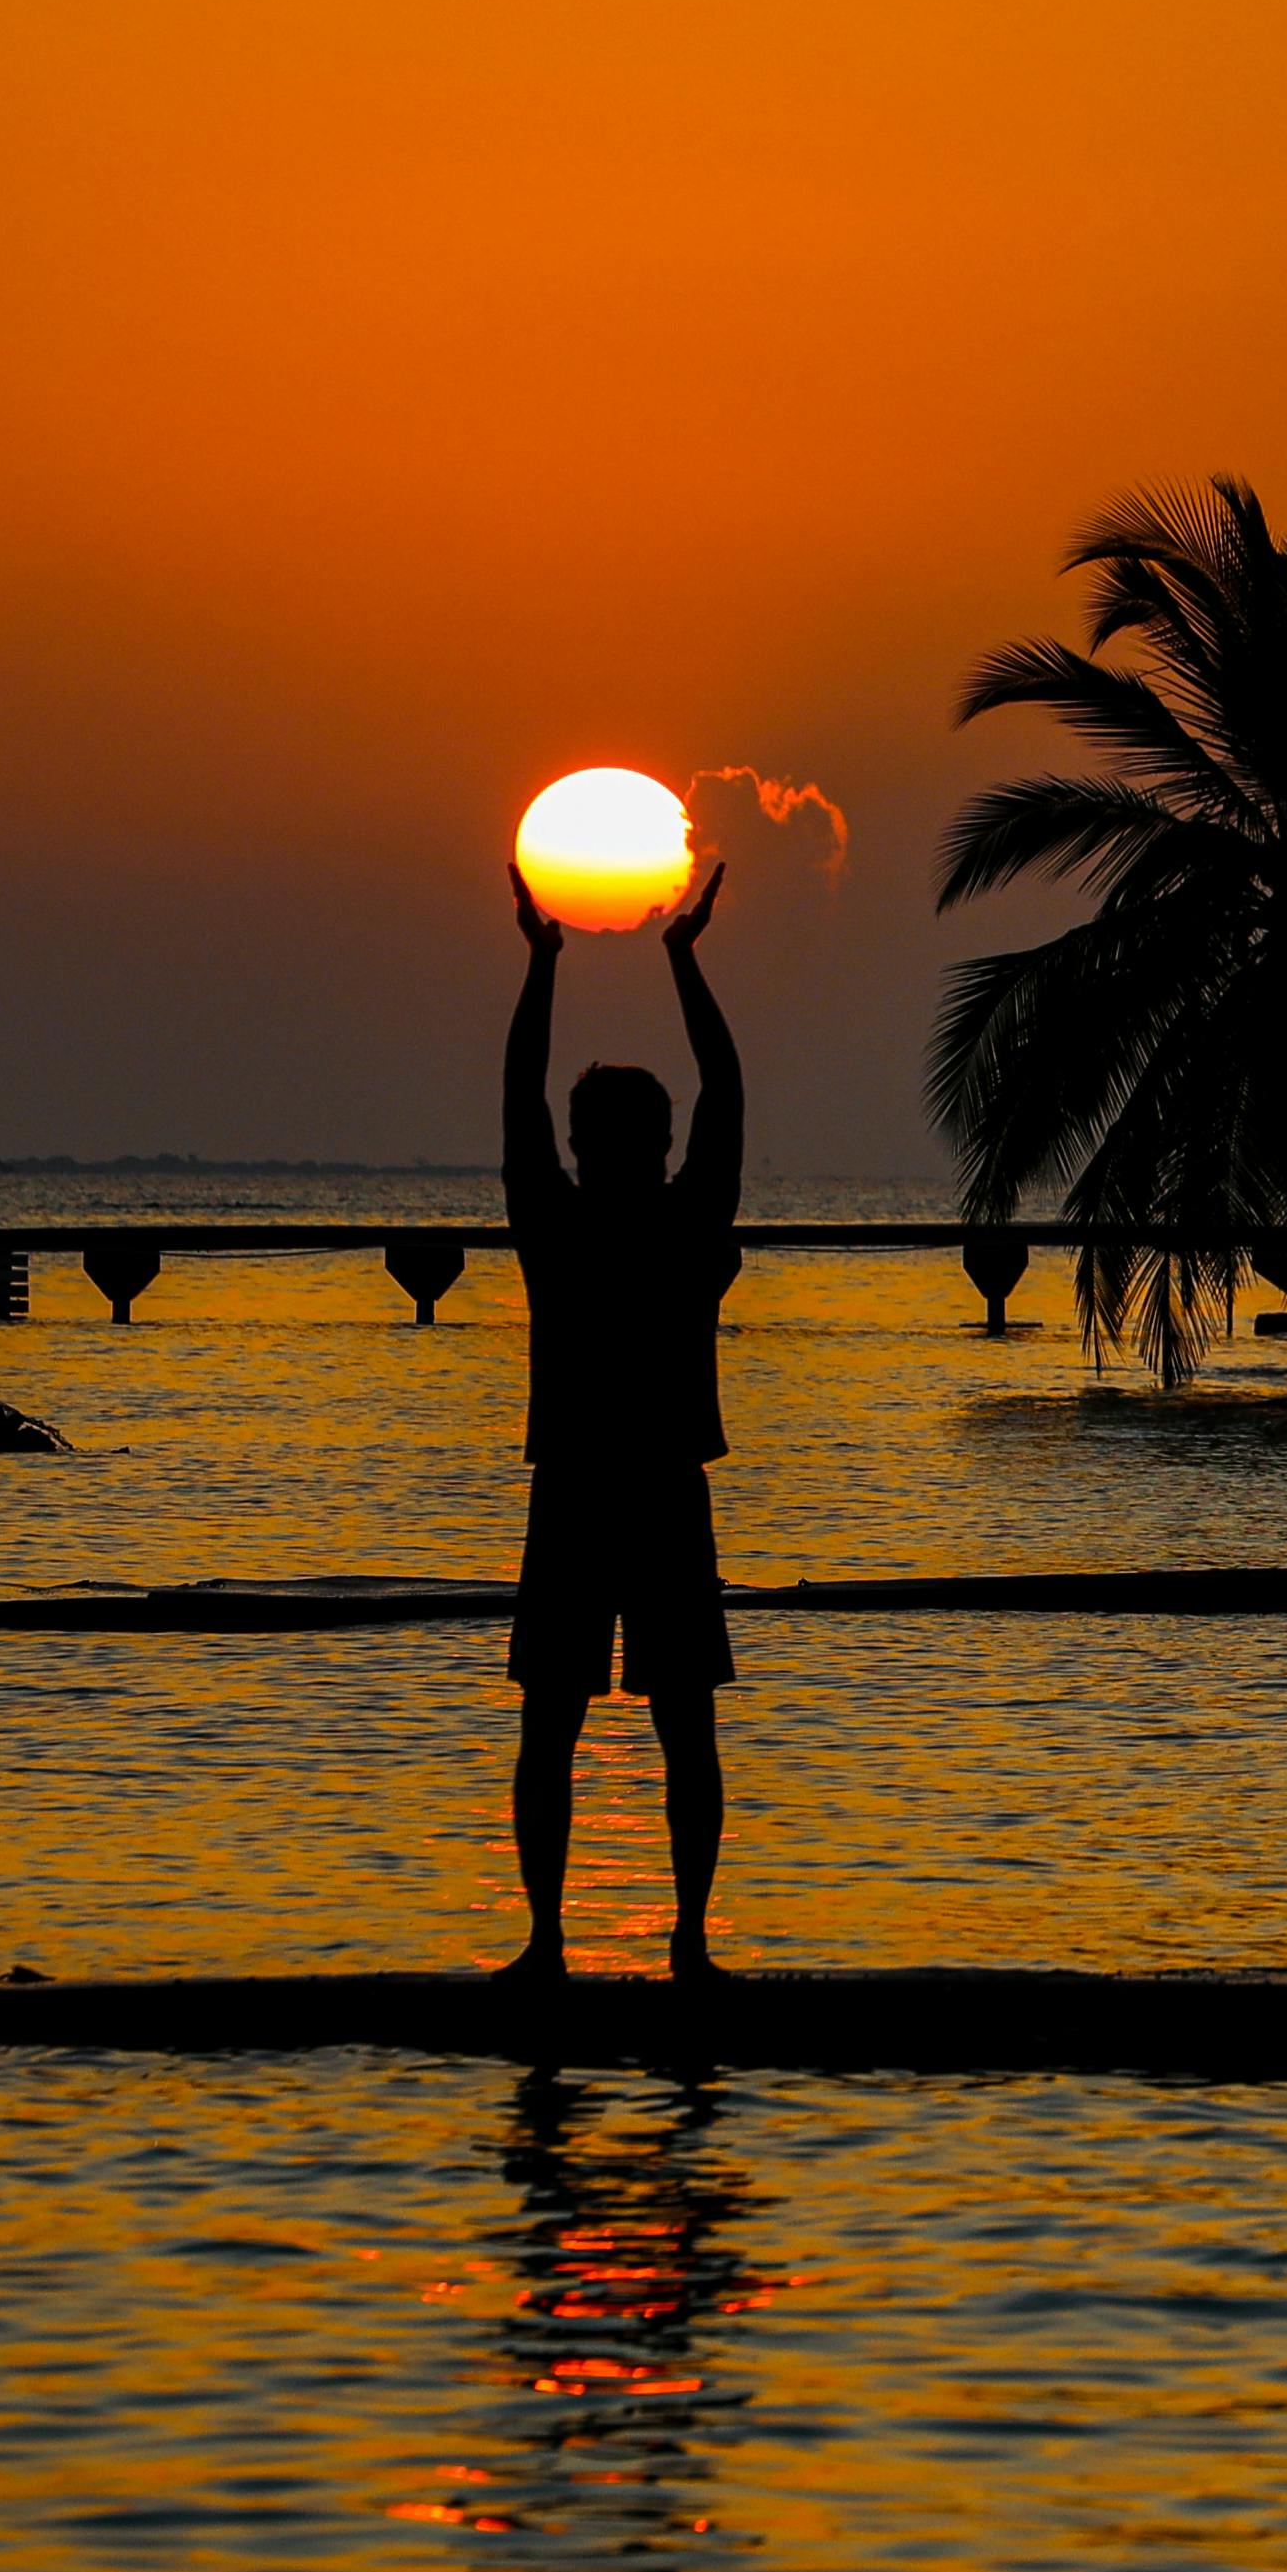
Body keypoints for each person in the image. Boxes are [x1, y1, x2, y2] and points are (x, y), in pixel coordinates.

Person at [496, 844, 744, 1977]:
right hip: (646, 1493)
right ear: (652, 1146)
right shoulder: (681, 1221)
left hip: (592, 1493)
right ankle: (678, 1943)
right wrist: (683, 960)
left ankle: (557, 1943)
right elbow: (727, 1098)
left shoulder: (563, 1224)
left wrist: (543, 965)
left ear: (596, 1149)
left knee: (563, 1726)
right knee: (671, 1725)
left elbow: (518, 1102)